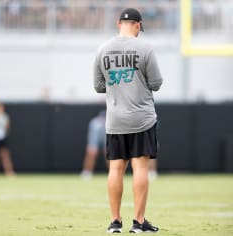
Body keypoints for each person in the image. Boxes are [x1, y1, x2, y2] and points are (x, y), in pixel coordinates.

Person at [93, 8, 163, 233]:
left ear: (118, 23)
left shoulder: (102, 50)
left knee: (115, 168)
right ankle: (139, 221)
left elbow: (98, 86)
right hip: (141, 118)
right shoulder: (145, 48)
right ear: (138, 25)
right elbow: (156, 83)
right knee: (140, 166)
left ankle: (115, 222)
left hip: (115, 119)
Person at [80, 110, 106, 180]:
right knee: (91, 152)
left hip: (106, 140)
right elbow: (93, 137)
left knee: (110, 154)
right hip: (94, 141)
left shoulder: (109, 123)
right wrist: (91, 146)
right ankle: (87, 172)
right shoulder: (94, 123)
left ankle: (112, 173)